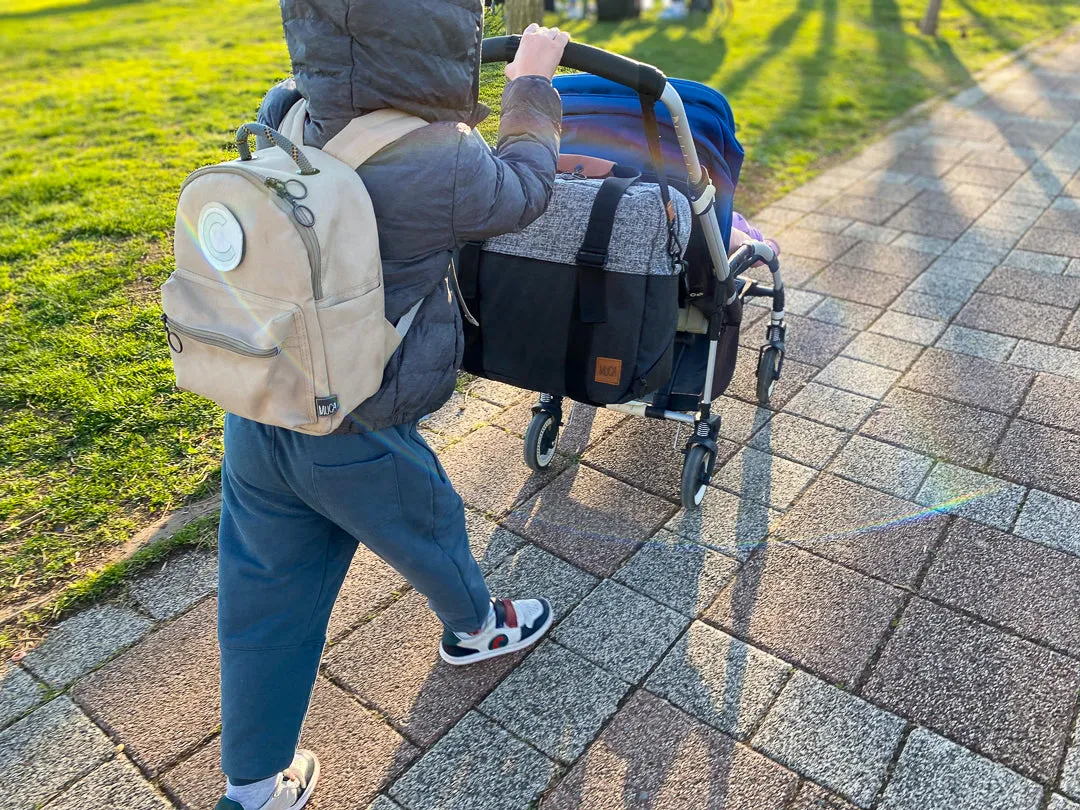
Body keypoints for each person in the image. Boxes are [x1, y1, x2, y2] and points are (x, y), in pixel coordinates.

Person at [213, 4, 569, 809]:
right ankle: (478, 627)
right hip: (357, 423)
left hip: (260, 403)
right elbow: (525, 192)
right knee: (429, 524)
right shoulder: (441, 158)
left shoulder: (287, 110)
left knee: (263, 591)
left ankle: (254, 785)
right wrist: (532, 94)